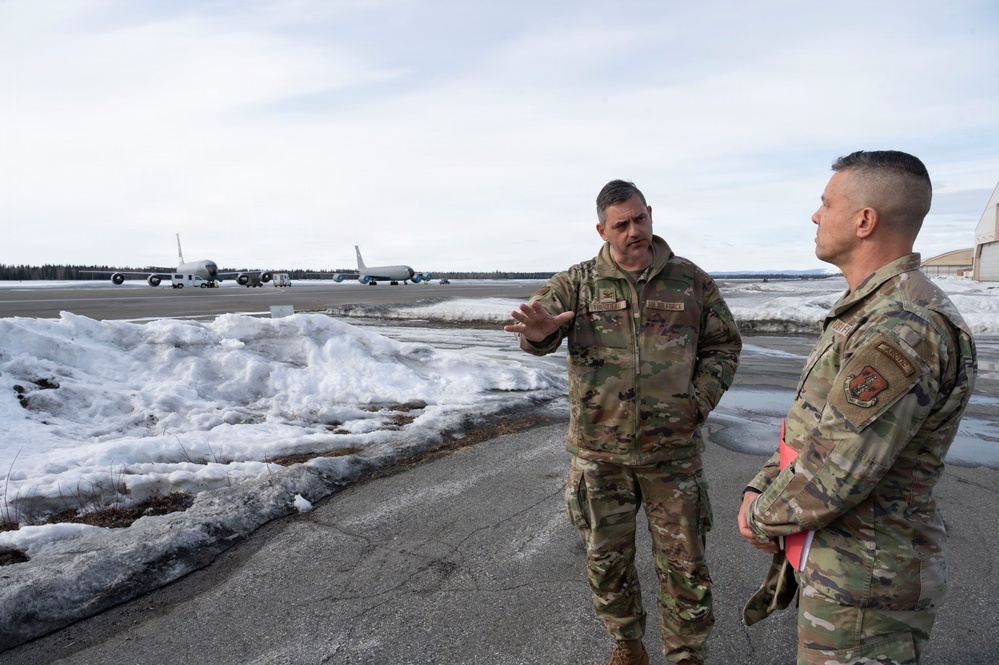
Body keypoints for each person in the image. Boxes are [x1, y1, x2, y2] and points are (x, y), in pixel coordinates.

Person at [737, 151, 977, 664]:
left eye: (827, 203)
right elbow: (816, 429)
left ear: (864, 221)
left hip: (868, 586)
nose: (816, 215)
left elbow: (838, 470)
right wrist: (762, 481)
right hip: (846, 570)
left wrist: (760, 517)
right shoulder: (870, 309)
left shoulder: (903, 326)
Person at [504, 180, 742, 665]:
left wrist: (696, 402)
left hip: (672, 457)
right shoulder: (577, 282)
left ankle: (685, 655)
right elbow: (541, 327)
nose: (635, 230)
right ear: (602, 229)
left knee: (685, 567)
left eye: (640, 218)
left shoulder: (691, 281)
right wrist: (536, 336)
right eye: (621, 224)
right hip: (600, 458)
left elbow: (723, 345)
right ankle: (628, 646)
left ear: (650, 213)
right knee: (607, 564)